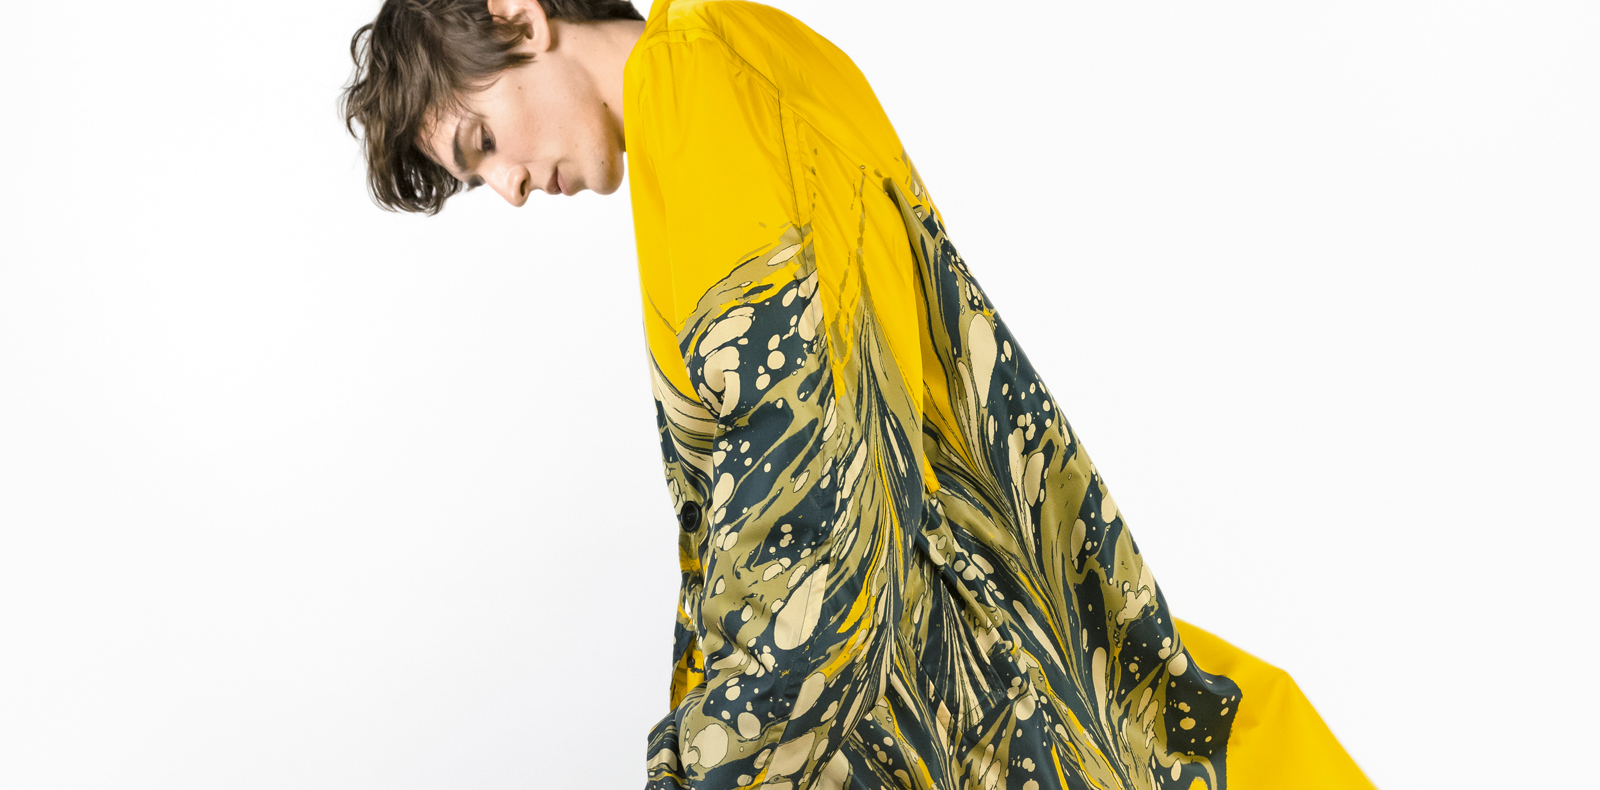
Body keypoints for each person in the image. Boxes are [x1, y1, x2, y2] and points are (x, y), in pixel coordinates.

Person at [340, 1, 1375, 787]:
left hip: (914, 678)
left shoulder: (692, 81)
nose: (511, 187)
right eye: (479, 180)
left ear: (518, 17)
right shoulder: (746, 53)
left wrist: (718, 754)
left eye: (482, 142)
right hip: (993, 641)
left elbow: (797, 471)